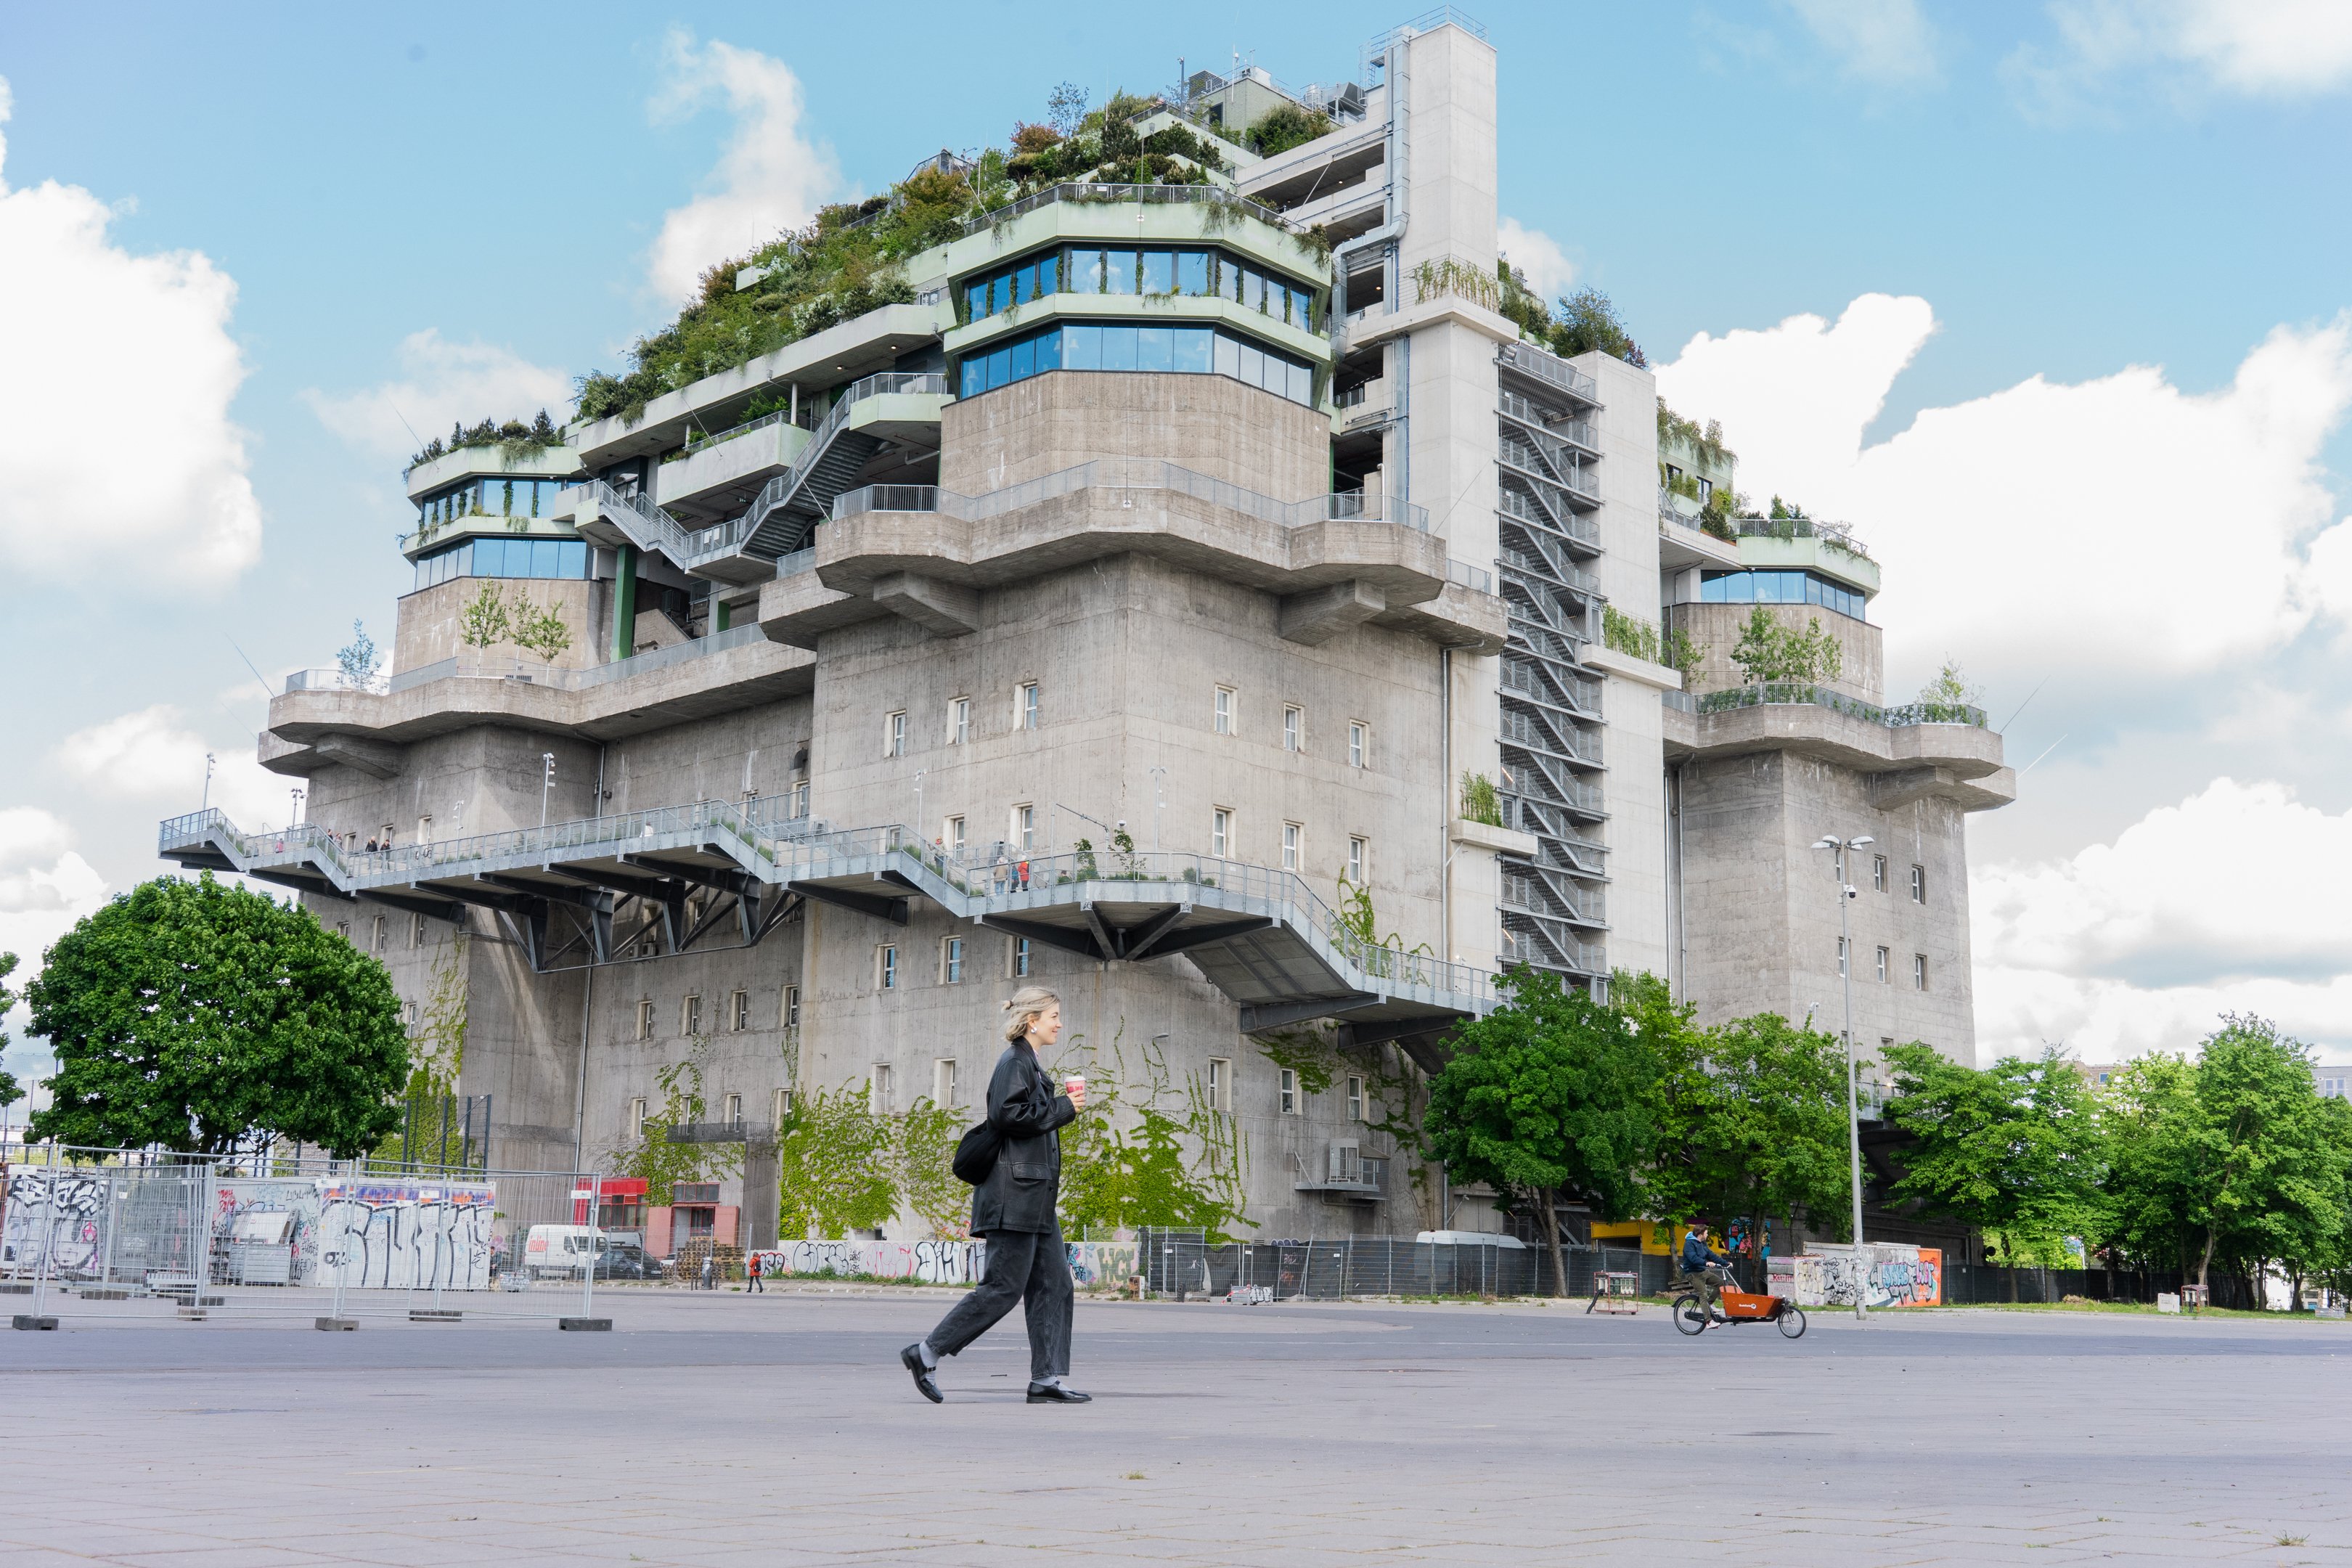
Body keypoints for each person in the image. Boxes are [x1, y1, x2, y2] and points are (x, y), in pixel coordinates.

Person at [902, 986, 1086, 1405]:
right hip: (1013, 1198)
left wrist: (1060, 1108)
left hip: (1034, 1198)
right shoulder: (1014, 1062)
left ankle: (1048, 1379)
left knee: (1055, 1284)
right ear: (1032, 1020)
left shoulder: (1031, 1064)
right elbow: (1006, 1114)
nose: (1059, 1023)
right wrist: (1064, 1108)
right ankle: (925, 1353)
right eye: (1054, 1015)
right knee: (1003, 1287)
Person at [1680, 1222, 1731, 1319]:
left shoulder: (1702, 1244)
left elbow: (1711, 1255)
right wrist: (1706, 1263)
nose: (1707, 1235)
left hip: (1702, 1271)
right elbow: (1693, 1258)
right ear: (1701, 1234)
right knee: (1703, 1294)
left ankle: (1710, 1303)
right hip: (1692, 1273)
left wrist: (1726, 1263)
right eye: (1706, 1233)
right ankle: (1708, 1321)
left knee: (1721, 1283)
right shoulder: (1689, 1244)